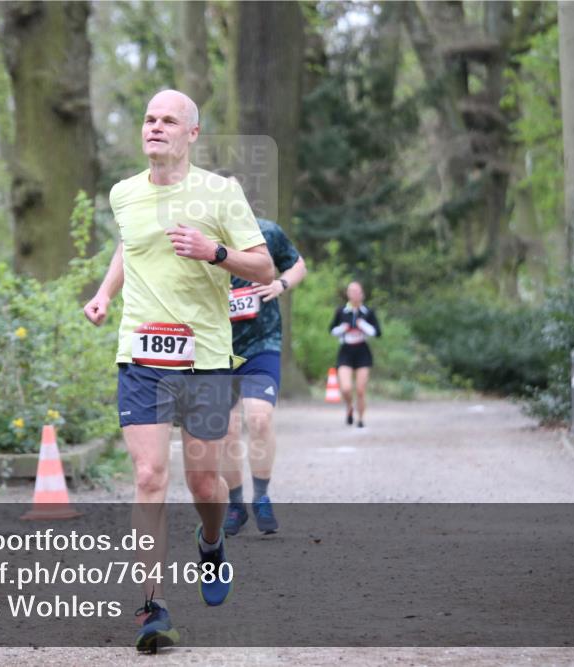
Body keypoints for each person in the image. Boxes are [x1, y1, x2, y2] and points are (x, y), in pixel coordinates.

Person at [83, 89, 273, 653]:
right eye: (148, 119)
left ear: (192, 134)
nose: (155, 127)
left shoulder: (221, 193)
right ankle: (153, 606)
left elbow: (261, 264)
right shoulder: (124, 194)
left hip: (207, 359)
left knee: (205, 483)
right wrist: (103, 293)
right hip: (140, 355)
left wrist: (214, 252)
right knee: (148, 477)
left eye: (169, 120)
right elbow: (129, 246)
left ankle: (211, 543)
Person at [216, 171, 307, 536]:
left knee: (260, 419)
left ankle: (263, 496)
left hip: (262, 342)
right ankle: (236, 505)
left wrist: (282, 284)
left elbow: (298, 263)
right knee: (224, 429)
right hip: (217, 347)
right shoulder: (201, 241)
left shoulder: (267, 233)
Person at [329, 281, 381, 427]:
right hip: (346, 351)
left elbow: (377, 332)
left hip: (362, 352)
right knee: (346, 388)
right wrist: (342, 328)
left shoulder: (368, 312)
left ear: (362, 294)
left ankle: (361, 419)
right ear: (347, 294)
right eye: (351, 291)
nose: (354, 294)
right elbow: (331, 330)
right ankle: (349, 407)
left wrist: (362, 325)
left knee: (360, 389)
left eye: (357, 291)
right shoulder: (341, 311)